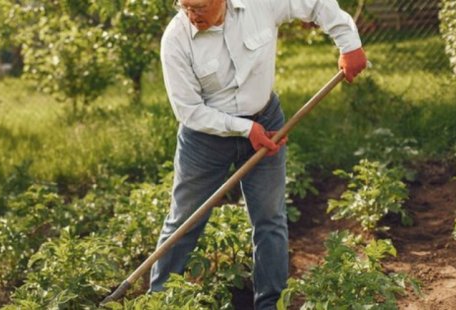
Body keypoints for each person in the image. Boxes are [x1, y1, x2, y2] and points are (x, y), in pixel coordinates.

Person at [151, 0, 367, 308]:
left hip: (265, 121)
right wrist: (243, 129)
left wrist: (349, 44)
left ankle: (270, 304)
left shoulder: (260, 4)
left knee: (269, 218)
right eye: (185, 7)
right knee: (184, 220)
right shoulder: (176, 39)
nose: (191, 15)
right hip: (205, 137)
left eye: (198, 7)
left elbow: (316, 3)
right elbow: (189, 111)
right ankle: (158, 301)